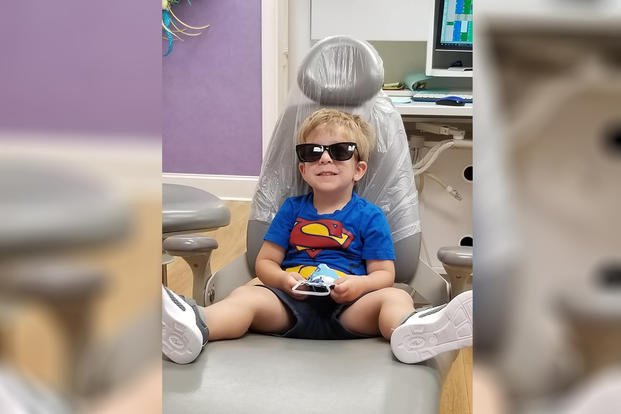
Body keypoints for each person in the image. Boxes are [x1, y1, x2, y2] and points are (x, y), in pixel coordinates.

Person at [162, 108, 472, 365]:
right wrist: (284, 282)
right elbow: (265, 263)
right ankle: (196, 326)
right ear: (303, 169)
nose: (325, 159)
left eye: (340, 151)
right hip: (288, 307)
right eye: (312, 152)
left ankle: (412, 332)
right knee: (246, 297)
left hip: (350, 311)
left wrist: (358, 286)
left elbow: (384, 274)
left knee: (396, 297)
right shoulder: (292, 210)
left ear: (359, 169)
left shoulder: (370, 216)